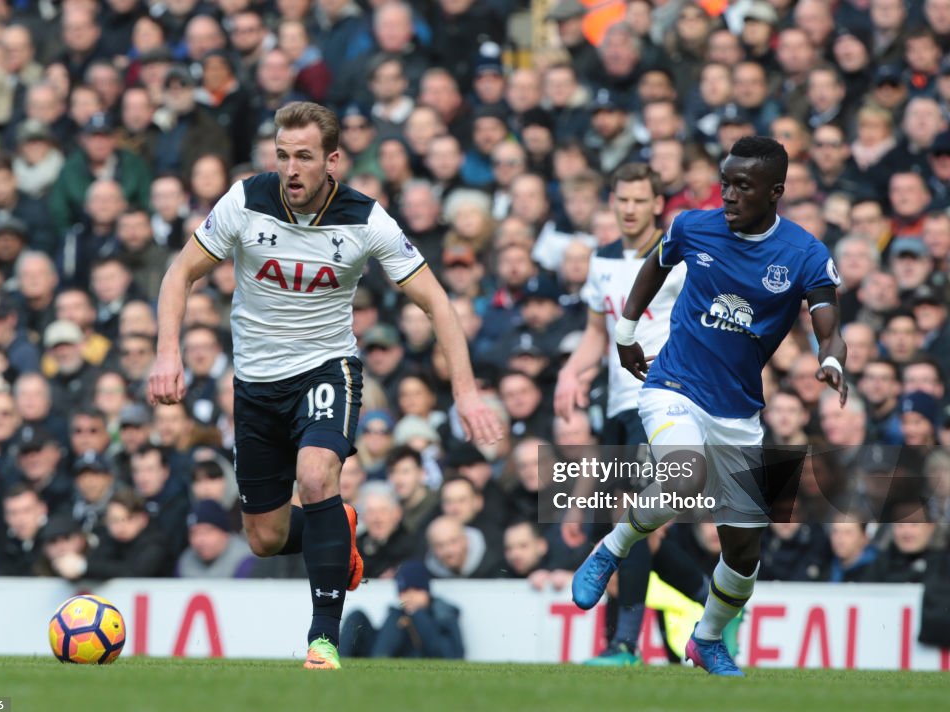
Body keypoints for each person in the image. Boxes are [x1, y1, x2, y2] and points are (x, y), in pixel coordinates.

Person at [146, 101, 502, 670]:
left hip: (326, 368)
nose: (290, 169)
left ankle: (323, 639)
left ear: (332, 160)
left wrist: (464, 391)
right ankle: (338, 526)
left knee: (316, 477)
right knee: (263, 536)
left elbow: (437, 301)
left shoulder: (367, 220)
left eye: (304, 157)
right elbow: (179, 273)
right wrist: (167, 351)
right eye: (282, 155)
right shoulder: (244, 200)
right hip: (256, 384)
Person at [567, 136, 848, 676]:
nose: (729, 195)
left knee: (743, 555)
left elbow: (828, 324)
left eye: (743, 186)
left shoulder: (805, 253)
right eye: (725, 182)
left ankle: (707, 640)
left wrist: (831, 361)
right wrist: (625, 332)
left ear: (776, 192)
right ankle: (612, 547)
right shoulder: (693, 226)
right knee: (683, 472)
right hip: (673, 385)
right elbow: (655, 264)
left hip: (739, 412)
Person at [554, 161, 688, 666]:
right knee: (637, 534)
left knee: (628, 517)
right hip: (615, 402)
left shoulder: (677, 256)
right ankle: (708, 603)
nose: (629, 209)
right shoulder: (602, 259)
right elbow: (596, 332)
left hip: (660, 400)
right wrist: (572, 372)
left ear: (657, 204)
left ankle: (626, 644)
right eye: (622, 199)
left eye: (638, 200)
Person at [338, 559, 464, 659]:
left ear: (427, 592)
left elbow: (452, 654)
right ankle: (339, 664)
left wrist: (417, 615)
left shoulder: (444, 614)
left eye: (416, 590)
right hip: (382, 651)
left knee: (397, 616)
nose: (410, 596)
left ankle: (378, 662)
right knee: (357, 617)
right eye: (404, 591)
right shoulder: (397, 615)